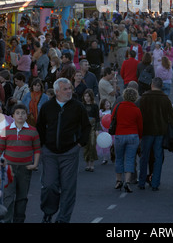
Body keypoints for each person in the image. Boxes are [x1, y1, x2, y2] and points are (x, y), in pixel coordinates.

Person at [36, 77, 91, 223]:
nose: (69, 92)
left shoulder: (78, 107)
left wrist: (80, 144)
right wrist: (42, 145)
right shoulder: (47, 107)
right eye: (65, 89)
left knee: (68, 188)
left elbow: (86, 127)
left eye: (70, 89)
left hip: (69, 153)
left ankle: (63, 219)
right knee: (49, 185)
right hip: (50, 153)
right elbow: (40, 126)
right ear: (57, 92)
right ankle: (48, 212)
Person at [0, 103, 40, 223]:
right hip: (9, 168)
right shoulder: (6, 131)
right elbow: (1, 148)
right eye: (17, 113)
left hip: (25, 167)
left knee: (22, 197)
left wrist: (35, 164)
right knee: (8, 196)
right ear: (12, 116)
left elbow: (37, 149)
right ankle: (6, 220)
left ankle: (19, 220)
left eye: (23, 113)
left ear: (26, 116)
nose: (20, 116)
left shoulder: (32, 131)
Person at [138, 77, 173, 191]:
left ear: (151, 85)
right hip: (160, 131)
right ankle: (155, 182)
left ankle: (141, 182)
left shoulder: (144, 98)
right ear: (161, 86)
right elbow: (171, 118)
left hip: (146, 131)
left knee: (144, 156)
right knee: (158, 157)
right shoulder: (165, 99)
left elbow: (138, 114)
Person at [112, 87, 143, 193]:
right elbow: (140, 126)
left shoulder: (118, 107)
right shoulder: (136, 110)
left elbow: (112, 119)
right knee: (130, 159)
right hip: (133, 135)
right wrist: (140, 137)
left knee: (119, 158)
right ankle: (127, 181)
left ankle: (118, 180)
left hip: (120, 134)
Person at [82, 89, 100, 172]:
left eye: (88, 96)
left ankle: (92, 164)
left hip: (92, 127)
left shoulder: (95, 106)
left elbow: (97, 118)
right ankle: (87, 164)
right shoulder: (82, 105)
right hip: (85, 127)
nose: (87, 98)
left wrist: (97, 129)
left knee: (92, 144)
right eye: (85, 96)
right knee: (86, 146)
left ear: (91, 96)